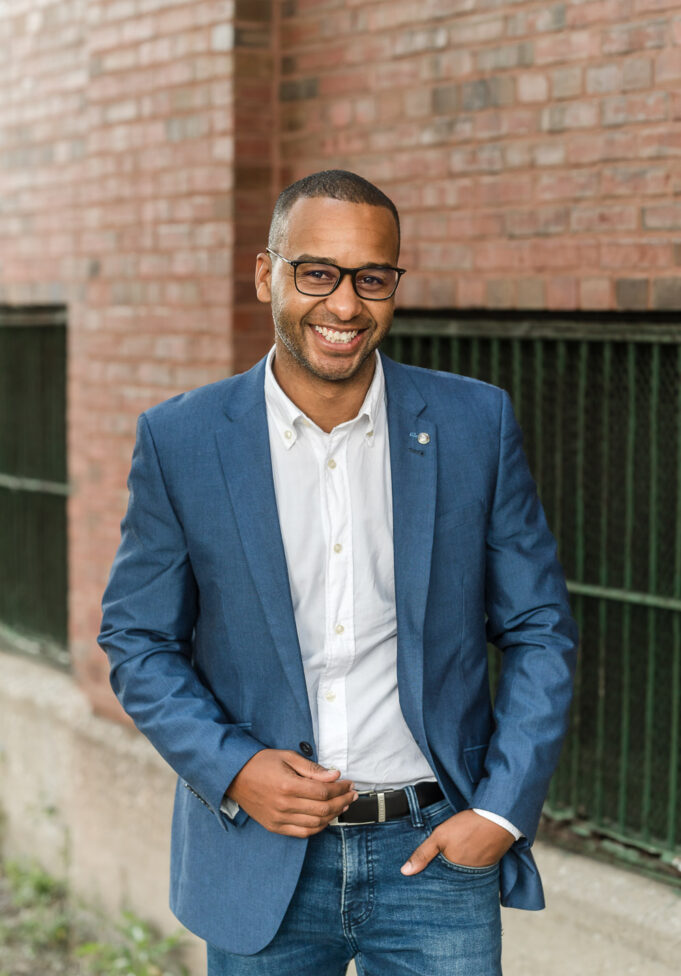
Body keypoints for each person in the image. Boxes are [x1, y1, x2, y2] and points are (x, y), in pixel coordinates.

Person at [99, 169, 578, 975]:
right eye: (316, 272)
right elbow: (137, 639)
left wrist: (499, 809)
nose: (345, 306)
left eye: (372, 278)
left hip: (432, 853)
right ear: (267, 274)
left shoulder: (472, 423)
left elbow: (538, 628)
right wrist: (234, 767)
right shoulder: (182, 441)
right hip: (259, 853)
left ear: (395, 282)